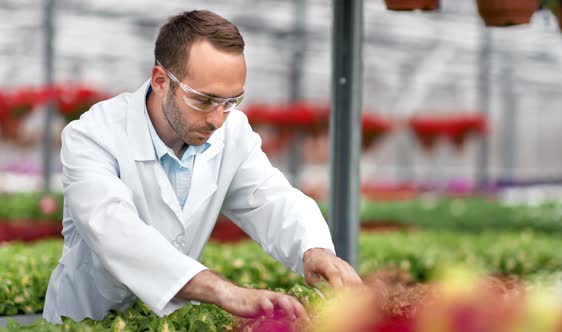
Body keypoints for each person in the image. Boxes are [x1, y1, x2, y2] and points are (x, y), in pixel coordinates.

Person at [43, 9, 362, 324]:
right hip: (84, 320)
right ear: (160, 81)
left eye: (230, 101)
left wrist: (313, 249)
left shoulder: (233, 132)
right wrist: (226, 292)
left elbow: (270, 199)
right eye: (204, 100)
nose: (217, 119)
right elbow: (115, 231)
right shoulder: (93, 136)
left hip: (167, 324)